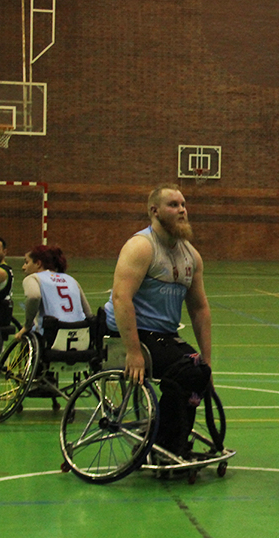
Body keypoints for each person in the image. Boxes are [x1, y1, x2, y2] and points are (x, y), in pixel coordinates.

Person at [104, 184, 213, 457]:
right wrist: (133, 351)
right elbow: (121, 298)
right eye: (173, 205)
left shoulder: (191, 255)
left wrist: (208, 362)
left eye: (183, 204)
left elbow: (200, 309)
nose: (182, 210)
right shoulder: (141, 247)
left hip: (163, 336)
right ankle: (162, 443)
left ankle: (173, 439)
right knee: (184, 370)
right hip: (129, 331)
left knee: (198, 371)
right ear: (155, 211)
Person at [13, 245, 90, 341]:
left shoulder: (33, 278)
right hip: (80, 335)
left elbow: (33, 296)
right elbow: (88, 313)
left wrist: (27, 325)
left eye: (26, 262)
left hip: (53, 335)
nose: (23, 267)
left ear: (38, 263)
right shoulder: (71, 279)